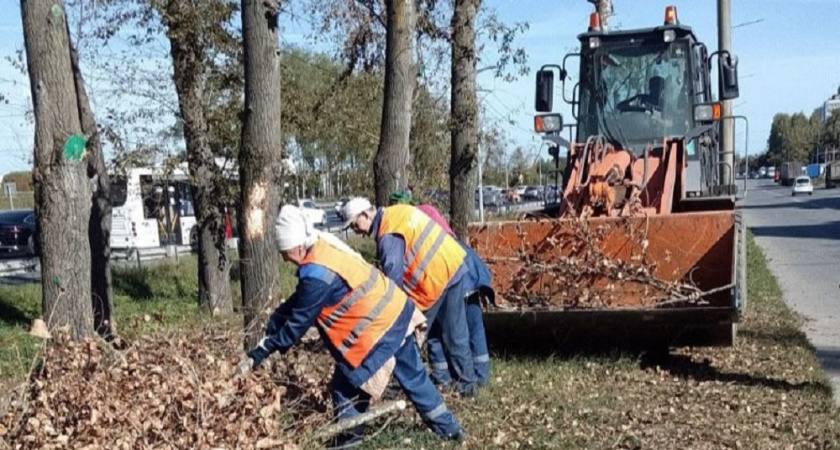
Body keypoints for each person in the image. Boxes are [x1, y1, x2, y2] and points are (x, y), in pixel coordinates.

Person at [237, 205, 465, 447]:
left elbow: (298, 324)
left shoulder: (316, 275)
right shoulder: (323, 249)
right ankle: (450, 430)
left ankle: (349, 441)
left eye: (285, 251)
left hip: (379, 332)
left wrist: (263, 349)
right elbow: (301, 297)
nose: (283, 257)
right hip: (396, 314)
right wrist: (279, 315)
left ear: (298, 246)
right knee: (412, 379)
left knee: (346, 388)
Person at [343, 198, 478, 397]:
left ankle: (408, 385)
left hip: (433, 280)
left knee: (410, 337)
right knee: (449, 333)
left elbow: (393, 277)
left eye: (355, 224)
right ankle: (454, 383)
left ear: (365, 214)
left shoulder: (387, 234)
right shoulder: (396, 213)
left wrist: (391, 313)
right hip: (451, 266)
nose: (356, 231)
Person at [387, 191, 492, 386]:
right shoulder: (425, 211)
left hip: (447, 269)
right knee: (472, 324)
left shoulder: (407, 222)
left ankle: (449, 379)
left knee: (442, 330)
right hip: (461, 260)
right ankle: (478, 378)